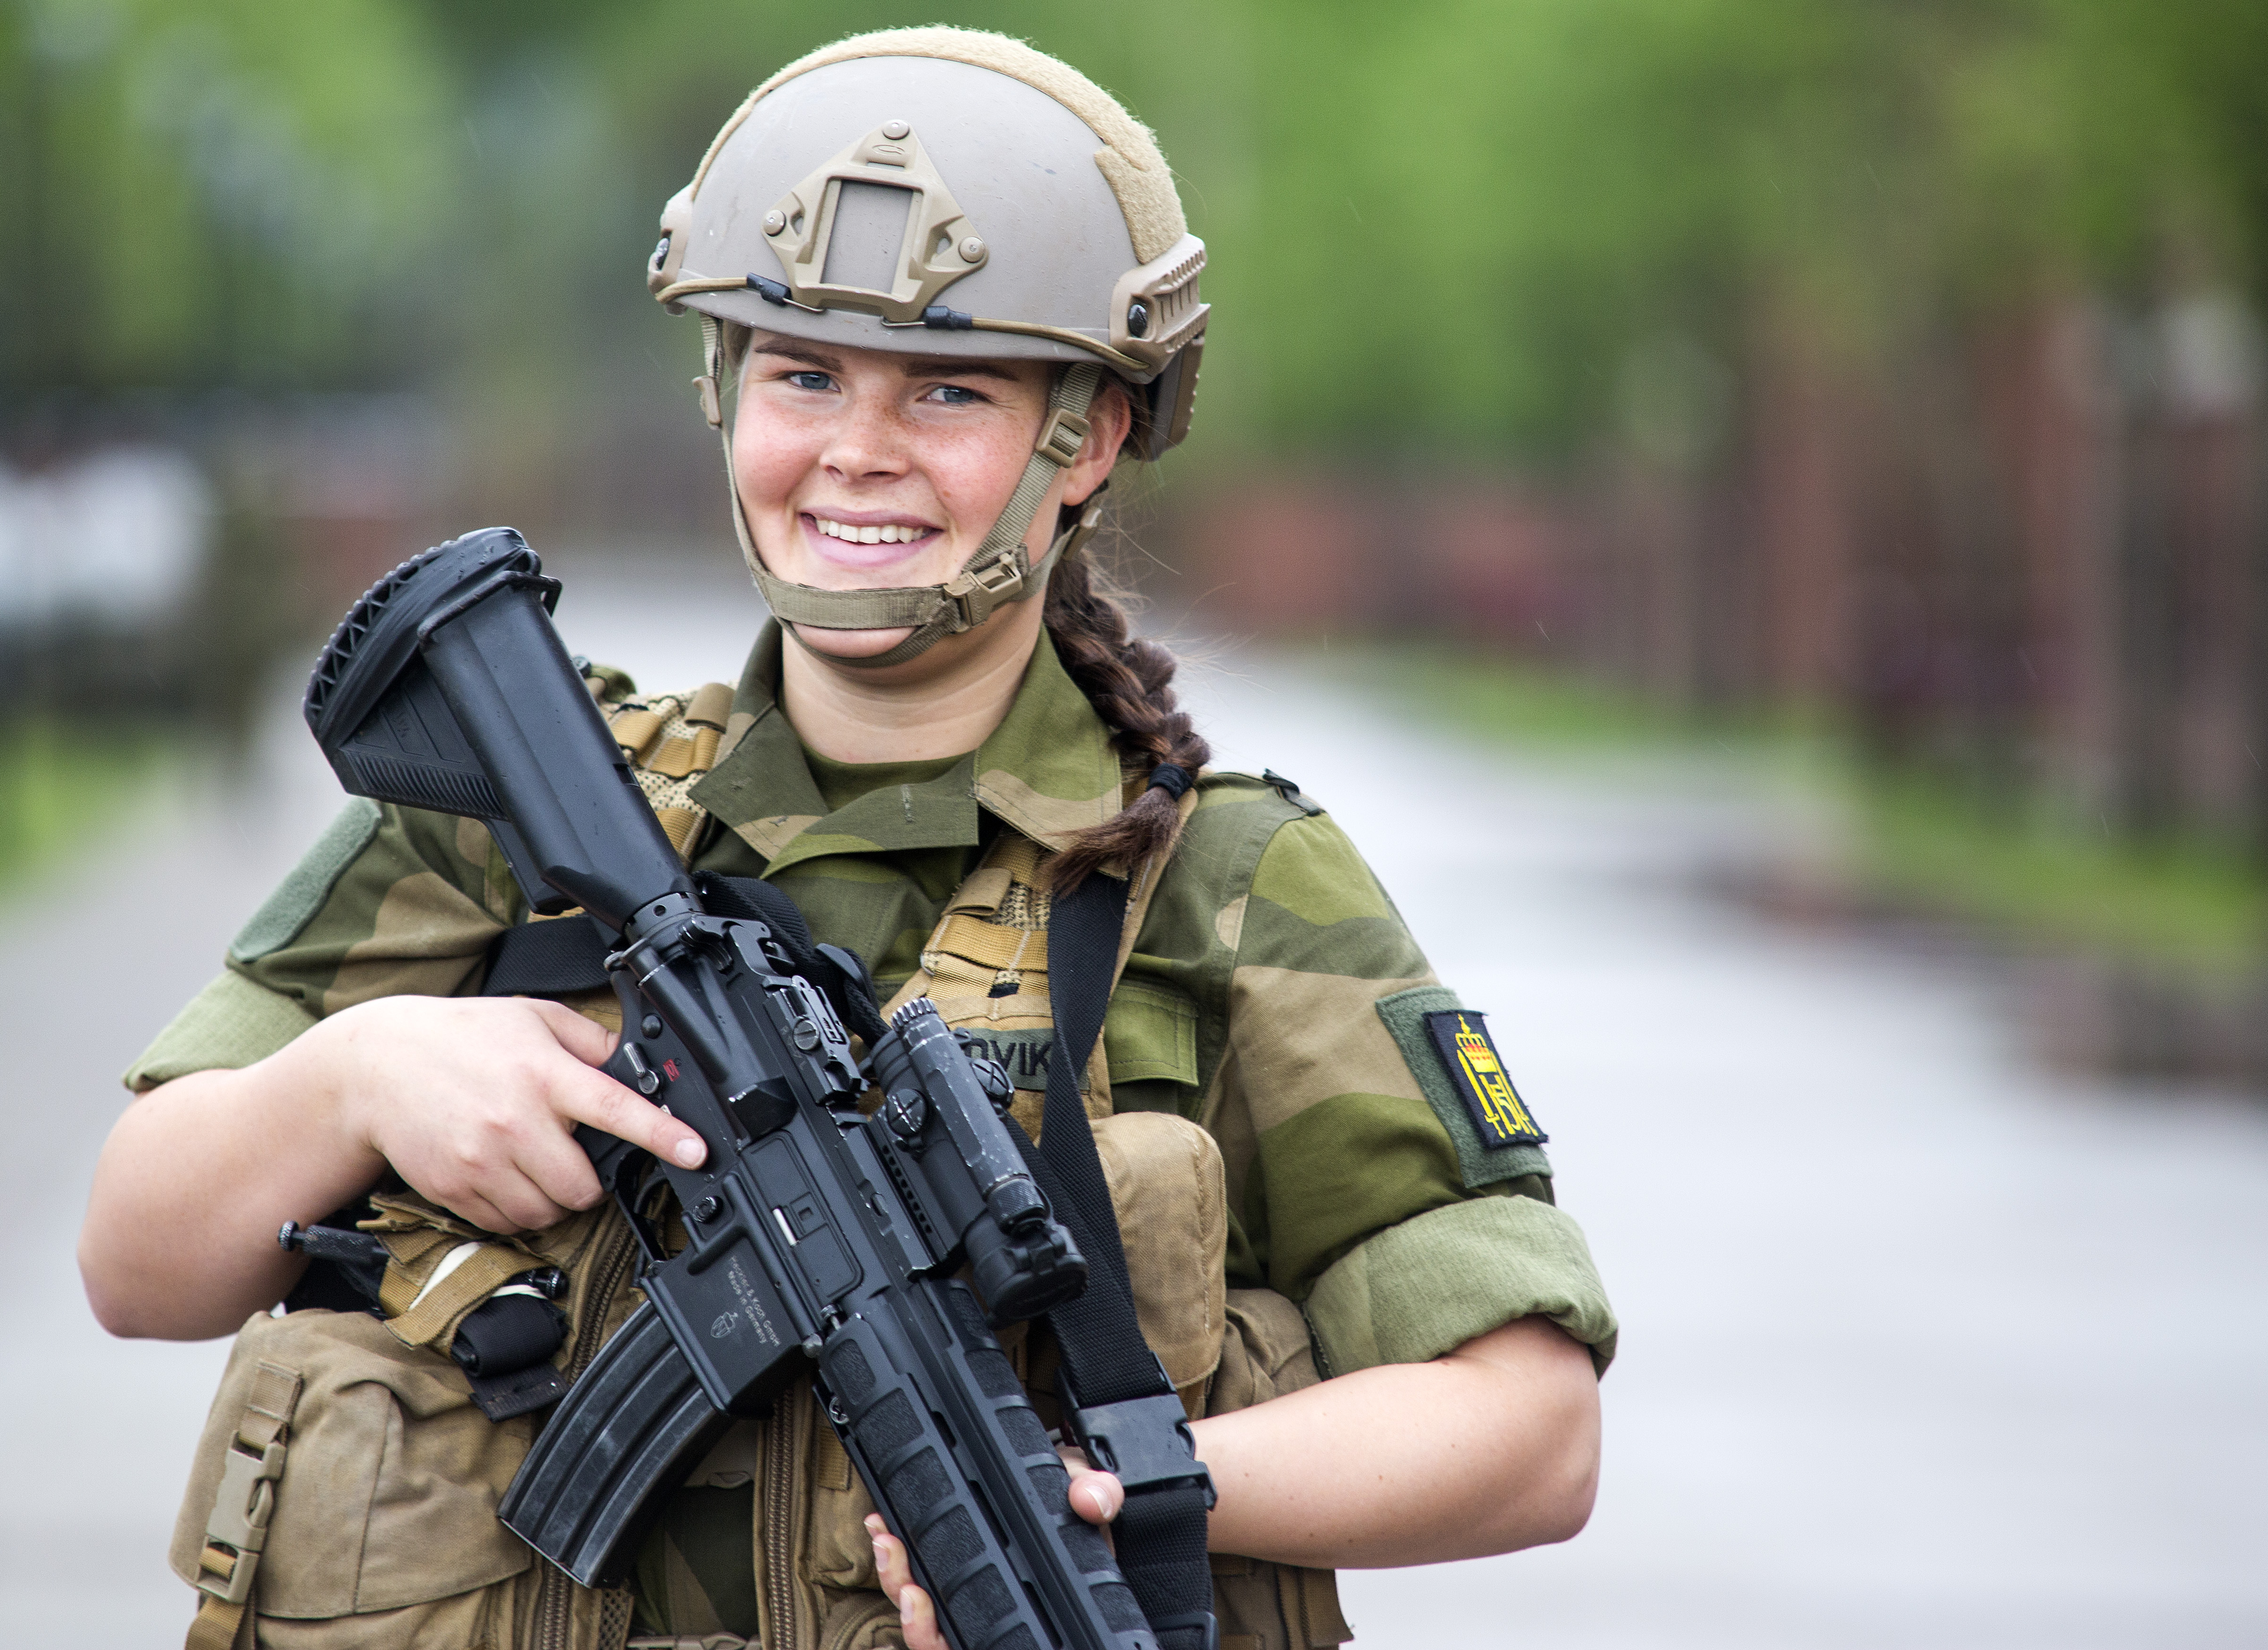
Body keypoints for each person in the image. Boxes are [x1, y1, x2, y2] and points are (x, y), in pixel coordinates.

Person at [81, 28, 1618, 1650]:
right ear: (723, 393)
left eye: (947, 389)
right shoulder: (512, 821)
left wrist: (1122, 1488)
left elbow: (1530, 1427)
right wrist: (356, 1075)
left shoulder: (1215, 879)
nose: (856, 449)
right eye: (801, 374)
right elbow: (138, 1259)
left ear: (1083, 440)